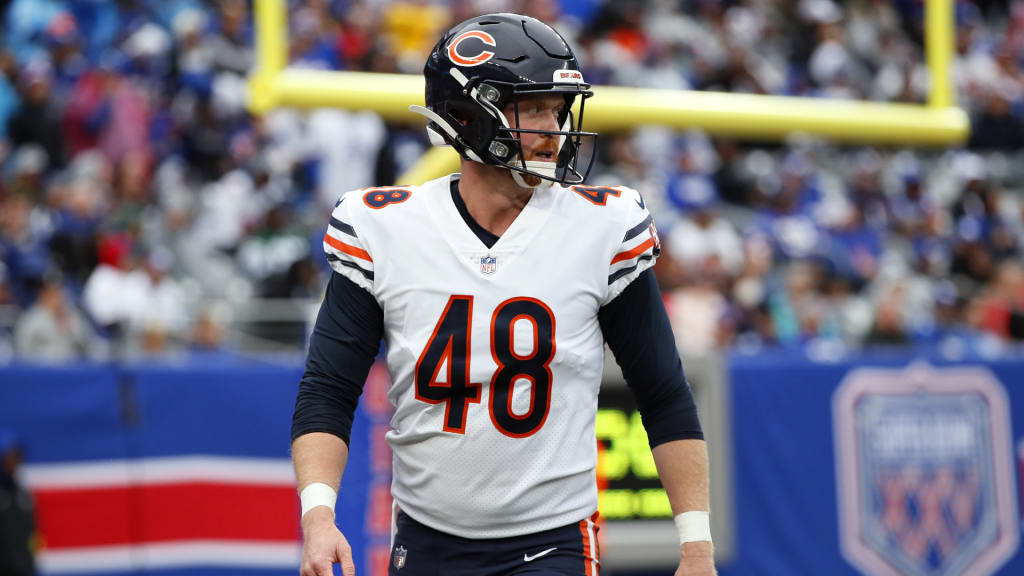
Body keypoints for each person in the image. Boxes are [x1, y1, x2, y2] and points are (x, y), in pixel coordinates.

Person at [291, 13, 714, 576]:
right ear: (467, 115)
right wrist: (319, 518)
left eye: (557, 110)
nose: (554, 128)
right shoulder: (385, 228)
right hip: (425, 539)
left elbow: (662, 393)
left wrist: (696, 547)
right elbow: (329, 388)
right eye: (534, 108)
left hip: (553, 539)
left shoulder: (602, 227)